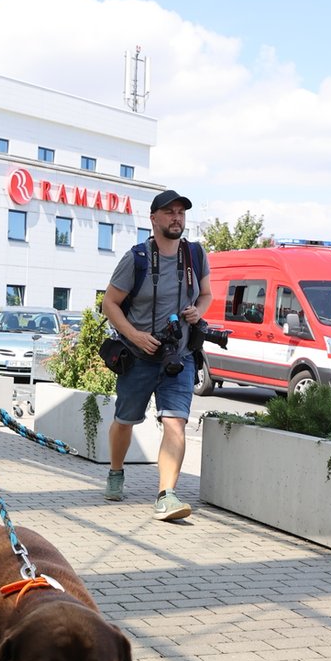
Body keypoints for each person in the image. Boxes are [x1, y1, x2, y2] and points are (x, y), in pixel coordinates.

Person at [101, 190, 212, 518]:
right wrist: (134, 334)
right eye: (169, 212)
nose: (176, 218)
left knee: (175, 422)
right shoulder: (136, 258)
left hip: (178, 356)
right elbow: (110, 304)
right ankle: (116, 471)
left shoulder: (194, 254)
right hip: (138, 356)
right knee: (124, 421)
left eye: (181, 213)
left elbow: (206, 295)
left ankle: (167, 495)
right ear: (153, 219)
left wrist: (197, 312)